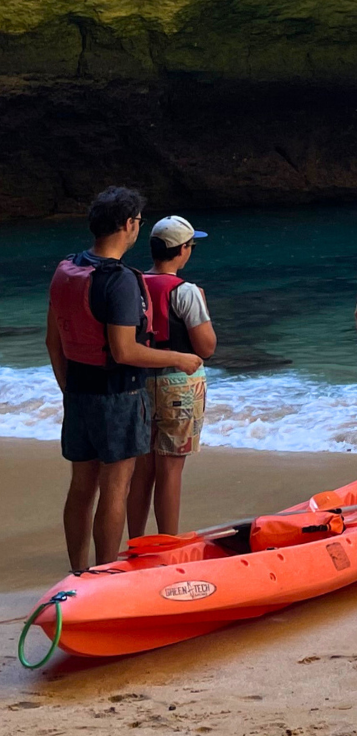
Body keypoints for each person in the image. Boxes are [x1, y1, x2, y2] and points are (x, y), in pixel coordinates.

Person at [45, 188, 204, 572]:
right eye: (137, 222)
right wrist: (181, 358)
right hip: (118, 394)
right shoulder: (119, 281)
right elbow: (125, 351)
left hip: (79, 391)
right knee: (115, 488)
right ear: (128, 225)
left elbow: (53, 341)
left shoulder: (67, 268)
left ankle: (79, 571)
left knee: (82, 487)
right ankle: (105, 574)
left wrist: (69, 388)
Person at [127, 216, 219, 538]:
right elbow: (206, 347)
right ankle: (167, 541)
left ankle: (135, 541)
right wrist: (203, 306)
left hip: (138, 381)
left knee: (142, 470)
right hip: (178, 385)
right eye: (191, 246)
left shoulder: (133, 283)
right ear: (181, 250)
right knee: (170, 470)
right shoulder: (187, 292)